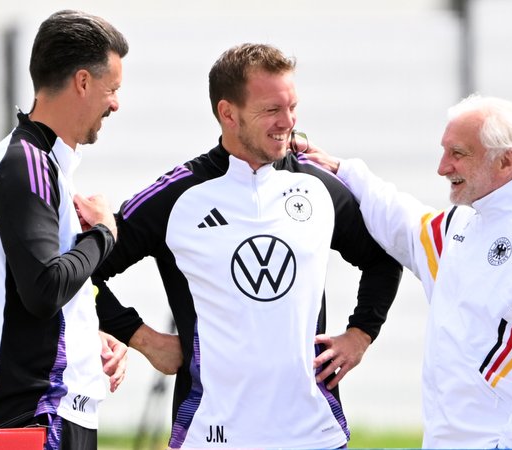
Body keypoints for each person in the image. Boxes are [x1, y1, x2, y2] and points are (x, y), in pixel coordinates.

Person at [92, 43, 402, 449]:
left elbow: (383, 257)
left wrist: (361, 333)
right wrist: (143, 338)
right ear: (228, 113)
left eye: (292, 107)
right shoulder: (177, 196)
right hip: (211, 436)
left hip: (314, 435)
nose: (287, 122)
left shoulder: (318, 186)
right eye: (272, 110)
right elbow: (82, 273)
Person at [301, 95, 512, 447]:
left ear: (505, 160)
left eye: (458, 154)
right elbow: (406, 226)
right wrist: (344, 172)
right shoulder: (464, 224)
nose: (442, 167)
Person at [0, 10, 130, 450]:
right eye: (111, 89)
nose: (115, 104)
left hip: (53, 413)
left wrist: (86, 334)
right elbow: (43, 288)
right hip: (31, 419)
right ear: (82, 82)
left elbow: (29, 292)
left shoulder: (48, 165)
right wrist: (104, 235)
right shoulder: (29, 162)